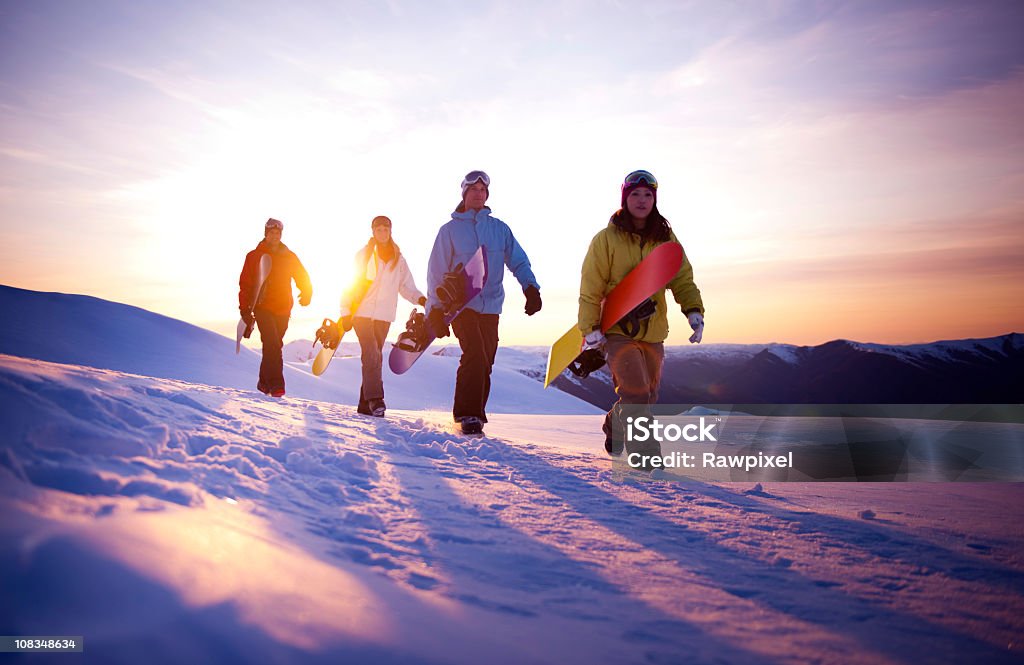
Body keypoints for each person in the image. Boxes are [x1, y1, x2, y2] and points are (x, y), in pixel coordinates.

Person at [578, 170, 704, 459]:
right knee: (636, 393)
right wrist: (590, 328)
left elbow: (682, 277)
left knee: (646, 396)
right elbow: (591, 286)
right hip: (617, 329)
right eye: (635, 194)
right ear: (625, 197)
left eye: (648, 194)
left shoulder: (665, 237)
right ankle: (645, 454)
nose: (642, 200)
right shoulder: (605, 240)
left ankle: (613, 424)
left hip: (653, 329)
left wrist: (693, 310)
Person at [426, 170, 542, 435]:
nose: (478, 194)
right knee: (475, 354)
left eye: (482, 190)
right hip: (461, 306)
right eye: (473, 190)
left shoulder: (499, 229)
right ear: (464, 195)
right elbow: (435, 272)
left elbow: (518, 260)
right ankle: (467, 415)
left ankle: (475, 412)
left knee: (486, 359)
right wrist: (434, 310)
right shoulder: (450, 231)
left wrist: (530, 287)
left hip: (491, 306)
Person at [336, 215, 426, 417]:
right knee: (371, 353)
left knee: (374, 356)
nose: (382, 233)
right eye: (379, 229)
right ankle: (376, 400)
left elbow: (406, 286)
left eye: (386, 229)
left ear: (390, 231)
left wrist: (421, 299)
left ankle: (364, 405)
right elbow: (350, 283)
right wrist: (345, 311)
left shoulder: (398, 259)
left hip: (384, 316)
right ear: (373, 232)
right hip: (362, 312)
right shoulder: (364, 256)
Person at [238, 217, 312, 397]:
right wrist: (245, 309)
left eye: (278, 233)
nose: (275, 236)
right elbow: (245, 284)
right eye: (271, 233)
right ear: (266, 234)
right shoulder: (254, 256)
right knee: (272, 344)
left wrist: (306, 292)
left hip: (283, 308)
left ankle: (263, 382)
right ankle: (277, 385)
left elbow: (301, 275)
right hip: (262, 307)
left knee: (274, 345)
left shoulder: (289, 256)